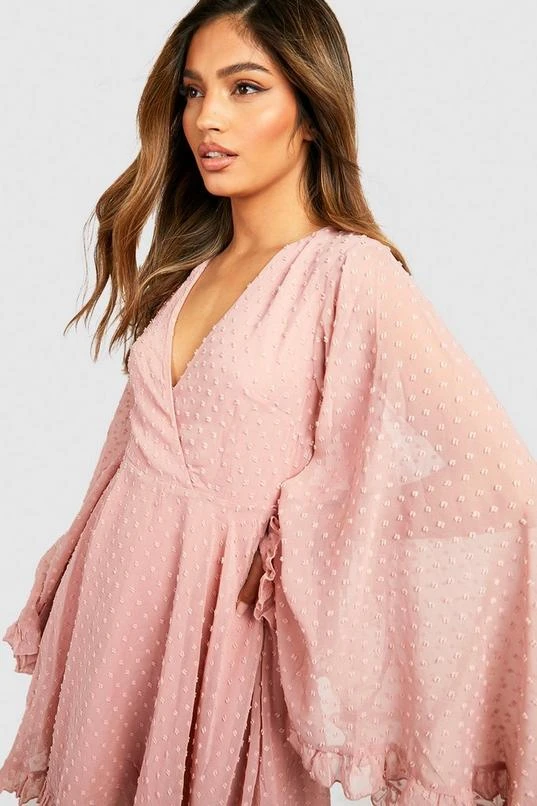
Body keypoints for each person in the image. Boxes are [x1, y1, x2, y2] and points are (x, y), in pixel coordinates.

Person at [0, 1, 535, 804]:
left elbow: (499, 487)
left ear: (311, 112)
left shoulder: (350, 276)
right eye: (192, 91)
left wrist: (308, 534)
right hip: (114, 617)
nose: (206, 119)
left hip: (227, 631)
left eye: (244, 87)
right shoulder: (189, 269)